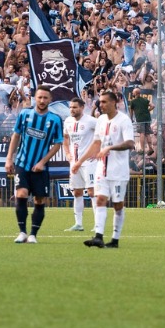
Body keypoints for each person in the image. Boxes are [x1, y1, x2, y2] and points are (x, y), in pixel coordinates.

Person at [5, 85, 65, 243]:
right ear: (35, 98)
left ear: (50, 99)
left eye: (45, 98)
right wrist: (9, 158)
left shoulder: (55, 119)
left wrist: (43, 162)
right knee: (21, 194)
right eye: (40, 97)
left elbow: (58, 144)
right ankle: (22, 232)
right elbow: (16, 136)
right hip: (22, 163)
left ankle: (33, 234)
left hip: (41, 167)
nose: (42, 100)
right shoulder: (24, 114)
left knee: (39, 200)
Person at [85, 89, 135, 248]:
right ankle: (98, 236)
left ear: (114, 102)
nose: (101, 104)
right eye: (100, 102)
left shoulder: (124, 120)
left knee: (117, 204)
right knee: (100, 199)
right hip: (102, 169)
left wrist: (110, 148)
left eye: (104, 101)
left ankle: (115, 239)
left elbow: (130, 143)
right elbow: (96, 142)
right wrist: (80, 161)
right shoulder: (100, 120)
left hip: (118, 171)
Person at [62, 96, 96, 232]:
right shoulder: (68, 121)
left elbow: (104, 135)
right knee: (77, 192)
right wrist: (67, 154)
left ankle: (97, 224)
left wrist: (98, 150)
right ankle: (78, 224)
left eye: (75, 107)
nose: (72, 109)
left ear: (82, 108)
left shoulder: (91, 121)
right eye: (70, 107)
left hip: (89, 162)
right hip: (74, 163)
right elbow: (65, 138)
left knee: (92, 192)